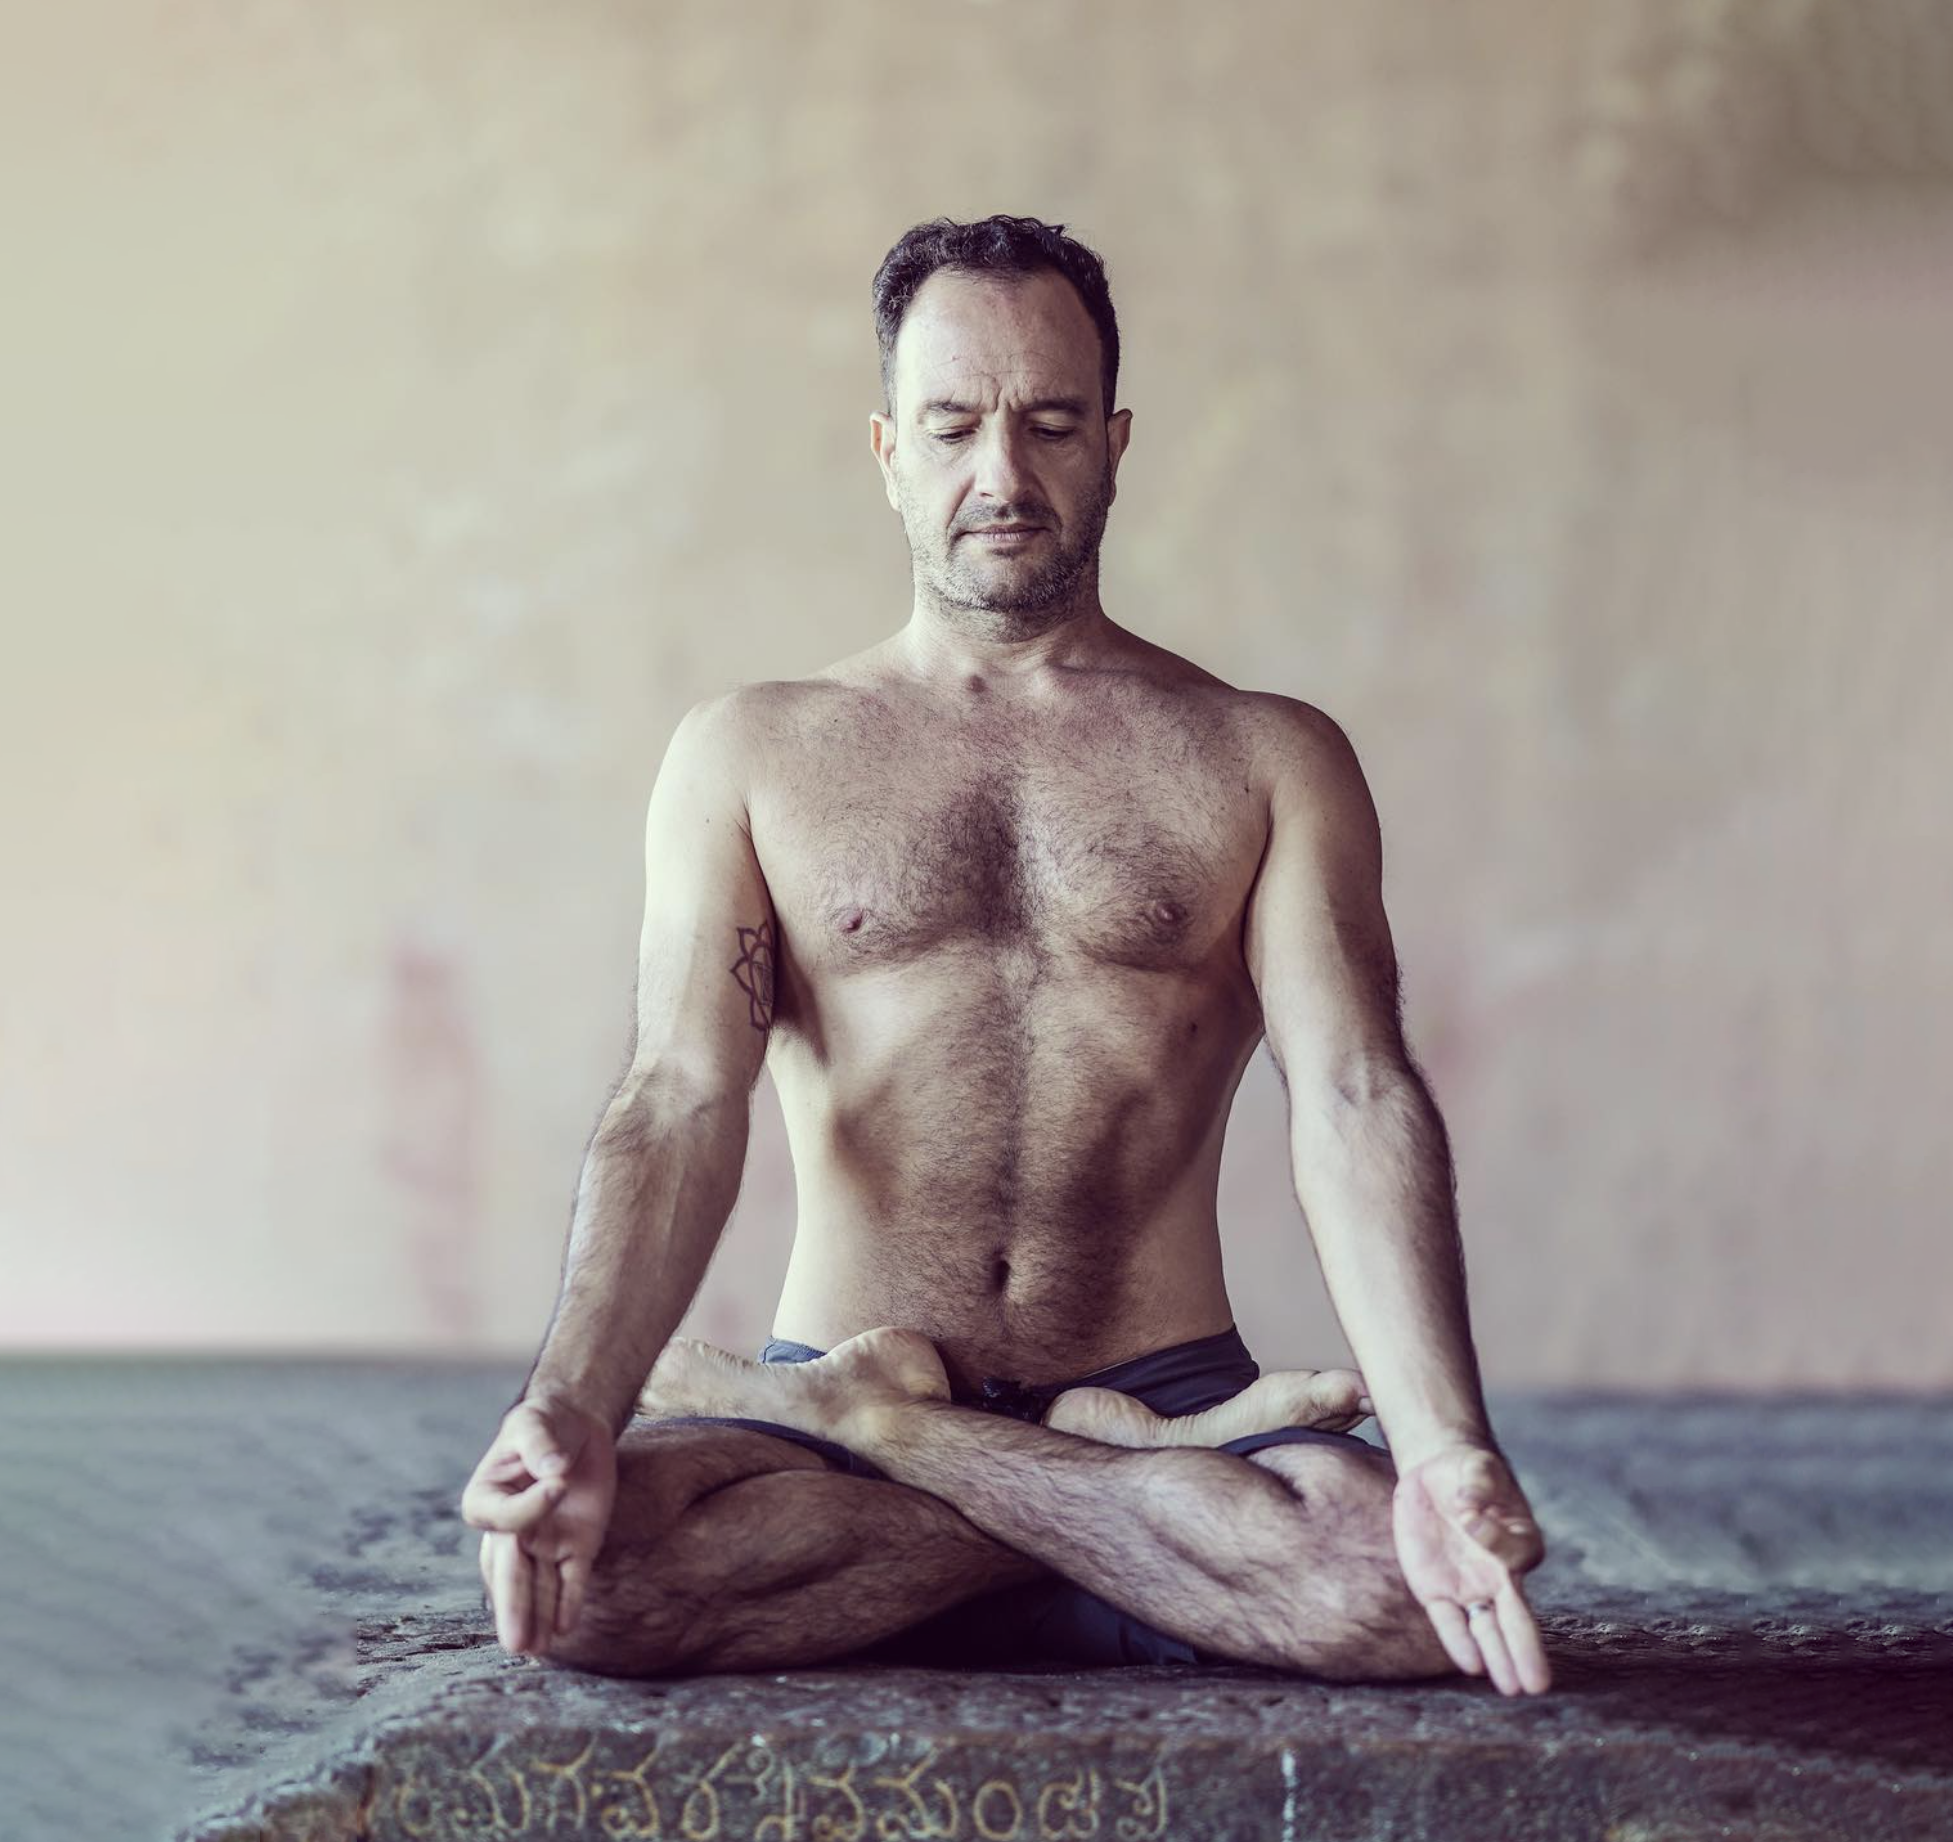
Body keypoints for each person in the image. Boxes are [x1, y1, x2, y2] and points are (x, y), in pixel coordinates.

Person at [459, 213, 1553, 1695]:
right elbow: (679, 1095)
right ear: (885, 450)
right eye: (953, 425)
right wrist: (568, 1412)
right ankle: (1083, 1488)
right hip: (883, 1415)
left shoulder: (1267, 758)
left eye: (1049, 424)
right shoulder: (749, 754)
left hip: (1147, 1380)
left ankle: (907, 1435)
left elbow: (1357, 1093)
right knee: (583, 1586)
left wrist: (1442, 1451)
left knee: (1405, 1588)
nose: (1003, 476)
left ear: (1114, 443)